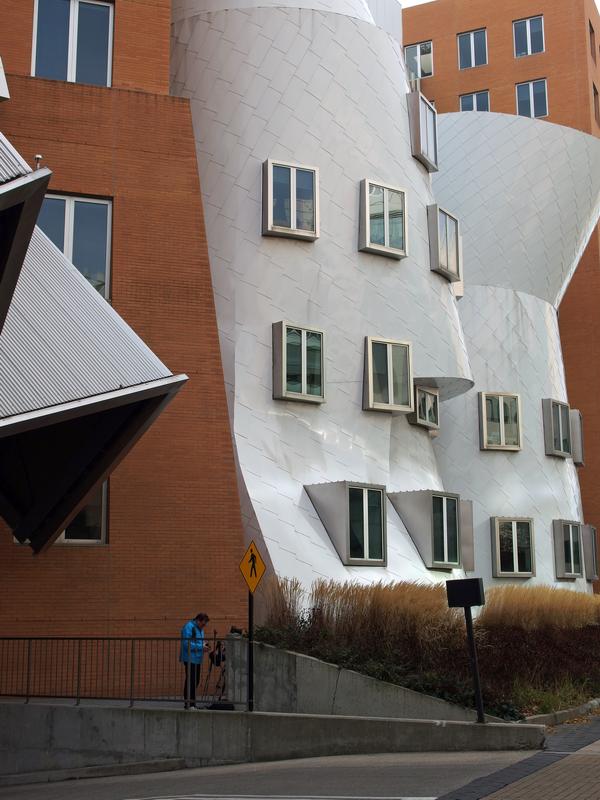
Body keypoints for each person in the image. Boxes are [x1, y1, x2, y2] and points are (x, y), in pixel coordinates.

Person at [180, 612, 209, 709]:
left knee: (195, 681)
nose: (204, 626)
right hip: (190, 658)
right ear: (198, 620)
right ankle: (188, 703)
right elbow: (186, 644)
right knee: (191, 681)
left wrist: (203, 644)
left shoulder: (199, 628)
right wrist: (201, 646)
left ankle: (192, 703)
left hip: (197, 658)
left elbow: (196, 641)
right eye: (203, 624)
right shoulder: (189, 627)